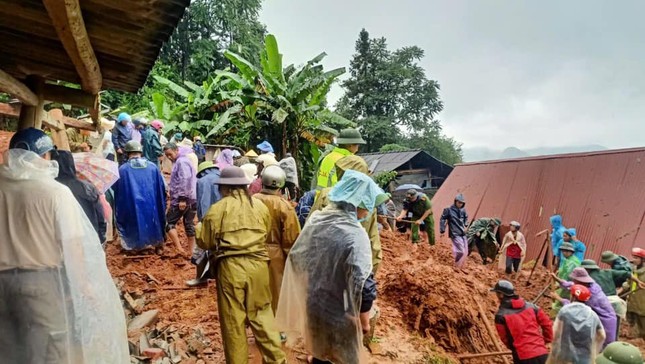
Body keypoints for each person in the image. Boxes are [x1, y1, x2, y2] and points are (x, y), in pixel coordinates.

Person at [0, 128, 129, 362]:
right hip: (40, 282)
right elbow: (73, 246)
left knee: (8, 347)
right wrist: (86, 288)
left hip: (2, 283)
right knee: (52, 347)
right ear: (43, 156)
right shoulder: (55, 193)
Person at [276, 170, 385, 364]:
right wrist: (364, 320)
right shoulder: (355, 235)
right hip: (342, 310)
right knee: (342, 357)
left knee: (320, 352)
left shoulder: (317, 221)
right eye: (366, 203)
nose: (368, 210)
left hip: (315, 304)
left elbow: (300, 259)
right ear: (356, 202)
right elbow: (363, 282)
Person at [197, 166, 286, 363]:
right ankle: (277, 360)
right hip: (259, 266)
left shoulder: (217, 209)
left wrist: (198, 229)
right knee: (262, 315)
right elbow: (265, 231)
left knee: (233, 321)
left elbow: (206, 241)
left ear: (225, 188)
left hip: (231, 268)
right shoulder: (260, 207)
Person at [308, 155, 385, 274]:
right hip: (352, 264)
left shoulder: (326, 194)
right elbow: (373, 244)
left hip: (323, 261)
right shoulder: (367, 203)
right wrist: (369, 275)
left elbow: (310, 228)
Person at [253, 165, 301, 313]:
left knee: (255, 290)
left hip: (252, 251)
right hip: (275, 256)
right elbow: (291, 238)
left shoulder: (251, 200)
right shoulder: (283, 206)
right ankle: (275, 328)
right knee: (276, 292)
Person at [113, 141, 167, 251]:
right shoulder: (153, 167)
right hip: (151, 203)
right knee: (153, 221)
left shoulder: (123, 169)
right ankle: (156, 243)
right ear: (140, 152)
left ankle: (134, 245)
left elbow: (117, 190)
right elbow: (161, 187)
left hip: (131, 204)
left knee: (134, 222)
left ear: (127, 153)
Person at [551, 267, 617, 347]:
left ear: (580, 280)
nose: (573, 281)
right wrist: (556, 279)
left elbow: (574, 308)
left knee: (600, 346)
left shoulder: (591, 296)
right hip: (600, 318)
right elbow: (571, 285)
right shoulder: (589, 285)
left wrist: (558, 298)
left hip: (605, 321)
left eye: (575, 280)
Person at [52, 149, 107, 245]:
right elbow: (100, 213)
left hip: (61, 242)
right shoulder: (87, 187)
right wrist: (101, 236)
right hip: (88, 237)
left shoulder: (50, 189)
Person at [491, 280, 552, 364]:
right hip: (541, 353)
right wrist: (546, 340)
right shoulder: (532, 307)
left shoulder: (500, 316)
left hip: (522, 357)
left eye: (497, 294)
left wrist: (514, 348)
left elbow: (505, 339)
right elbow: (547, 324)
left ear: (501, 295)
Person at [548, 284, 606, 364]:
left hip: (565, 356)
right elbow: (602, 335)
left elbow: (555, 333)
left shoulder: (564, 311)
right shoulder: (592, 315)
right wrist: (594, 351)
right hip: (584, 358)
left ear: (573, 296)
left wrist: (553, 350)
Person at [186, 161, 222, 287]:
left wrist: (203, 221)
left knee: (201, 249)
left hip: (209, 221)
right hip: (225, 222)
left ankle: (200, 278)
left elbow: (204, 202)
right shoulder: (223, 178)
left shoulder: (203, 181)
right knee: (220, 251)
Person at [164, 143, 198, 256]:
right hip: (192, 199)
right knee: (189, 224)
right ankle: (191, 251)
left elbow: (185, 179)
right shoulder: (184, 160)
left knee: (168, 222)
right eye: (167, 155)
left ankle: (179, 248)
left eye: (170, 154)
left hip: (182, 200)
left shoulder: (181, 162)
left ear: (176, 150)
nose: (169, 157)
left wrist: (182, 198)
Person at [440, 194, 469, 268]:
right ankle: (456, 264)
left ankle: (460, 266)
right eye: (459, 202)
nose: (460, 204)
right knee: (461, 251)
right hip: (455, 233)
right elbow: (443, 219)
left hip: (463, 232)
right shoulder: (448, 210)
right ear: (455, 201)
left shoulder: (463, 210)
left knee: (465, 251)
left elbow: (466, 218)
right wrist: (442, 230)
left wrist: (466, 225)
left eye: (462, 203)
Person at [552, 242, 581, 313]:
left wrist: (559, 284)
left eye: (565, 251)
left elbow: (568, 276)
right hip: (561, 283)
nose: (563, 253)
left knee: (561, 303)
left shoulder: (573, 262)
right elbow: (563, 270)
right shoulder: (567, 259)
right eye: (562, 251)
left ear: (570, 252)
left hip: (566, 286)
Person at [625, 247, 645, 339]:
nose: (634, 260)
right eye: (633, 257)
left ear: (642, 260)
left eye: (637, 258)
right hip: (632, 302)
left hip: (642, 304)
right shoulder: (632, 270)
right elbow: (628, 283)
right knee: (631, 324)